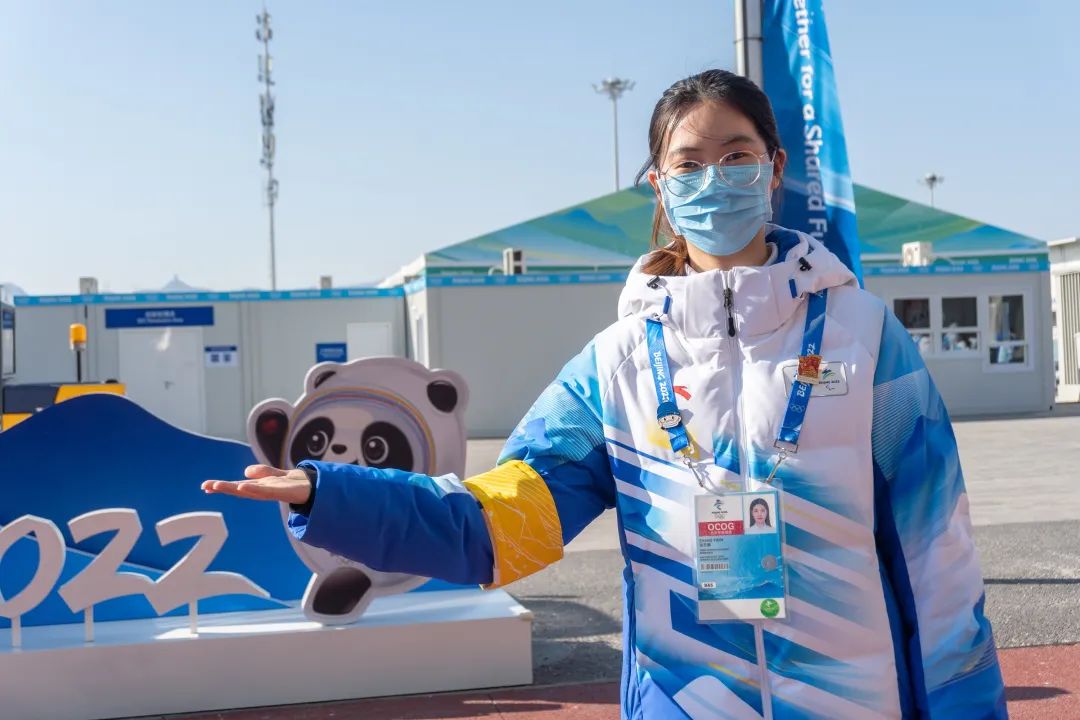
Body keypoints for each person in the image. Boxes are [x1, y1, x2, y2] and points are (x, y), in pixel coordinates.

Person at [203, 69, 1006, 719]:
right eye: (689, 164)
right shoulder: (615, 365)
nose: (715, 180)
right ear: (660, 186)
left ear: (773, 168)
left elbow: (938, 561)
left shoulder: (866, 337)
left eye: (736, 155)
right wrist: (332, 493)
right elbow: (499, 522)